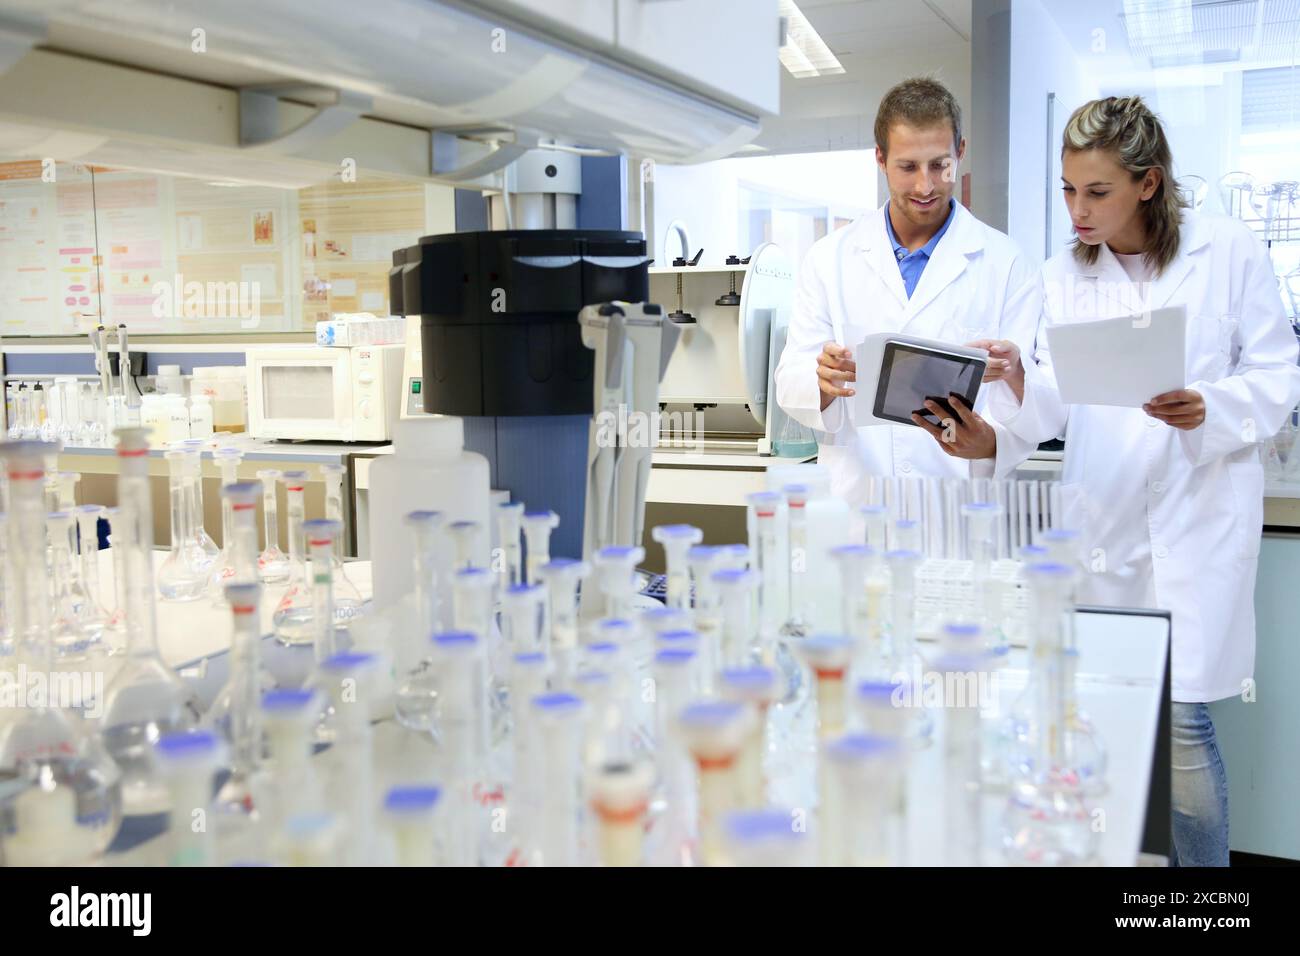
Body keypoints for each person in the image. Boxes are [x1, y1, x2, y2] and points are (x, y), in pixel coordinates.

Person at [975, 96, 1300, 866]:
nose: (1077, 211)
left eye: (1097, 192)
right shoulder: (1064, 274)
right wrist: (1024, 374)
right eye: (1066, 190)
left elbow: (1277, 372)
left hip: (1195, 522)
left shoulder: (1229, 252)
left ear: (1148, 184)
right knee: (1111, 727)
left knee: (1184, 726)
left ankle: (1208, 902)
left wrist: (1210, 408)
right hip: (1105, 523)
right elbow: (1056, 395)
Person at [774, 76, 1042, 508]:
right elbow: (790, 382)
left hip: (958, 510)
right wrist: (822, 381)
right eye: (908, 167)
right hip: (858, 508)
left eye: (939, 165)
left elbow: (1034, 397)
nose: (925, 186)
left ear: (960, 152)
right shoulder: (828, 259)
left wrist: (990, 440)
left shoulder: (1008, 263)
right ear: (880, 158)